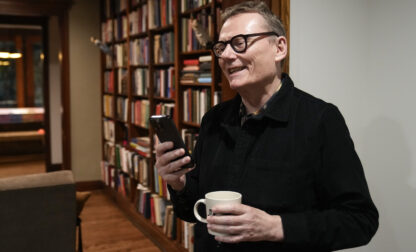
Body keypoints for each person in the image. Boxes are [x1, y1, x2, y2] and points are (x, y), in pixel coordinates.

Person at [155, 1, 378, 251]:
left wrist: (275, 226)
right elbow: (194, 210)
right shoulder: (213, 119)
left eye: (240, 42)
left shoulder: (320, 120)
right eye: (221, 47)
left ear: (279, 47)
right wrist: (178, 183)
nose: (226, 55)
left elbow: (360, 221)